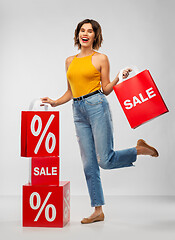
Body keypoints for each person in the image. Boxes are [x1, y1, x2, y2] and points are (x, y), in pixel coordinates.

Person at [41, 19, 159, 224]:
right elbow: (70, 91)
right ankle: (98, 210)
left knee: (104, 160)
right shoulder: (70, 61)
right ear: (77, 34)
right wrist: (54, 102)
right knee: (89, 165)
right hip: (77, 111)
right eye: (82, 30)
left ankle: (139, 149)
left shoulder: (101, 58)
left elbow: (105, 89)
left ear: (95, 35)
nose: (85, 34)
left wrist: (118, 79)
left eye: (90, 31)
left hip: (97, 106)